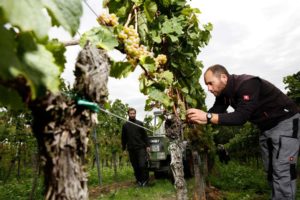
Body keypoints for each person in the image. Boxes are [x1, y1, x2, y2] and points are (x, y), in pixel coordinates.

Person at [186, 64, 300, 200]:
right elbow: (216, 111)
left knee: (282, 171)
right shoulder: (224, 94)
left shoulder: (247, 84)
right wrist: (195, 117)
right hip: (265, 128)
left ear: (223, 77)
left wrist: (208, 117)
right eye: (206, 85)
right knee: (271, 172)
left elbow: (240, 117)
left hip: (285, 122)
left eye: (210, 83)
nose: (209, 88)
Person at [122, 107, 150, 187]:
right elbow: (123, 138)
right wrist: (124, 149)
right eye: (131, 113)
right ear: (128, 114)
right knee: (135, 166)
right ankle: (139, 181)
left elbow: (145, 136)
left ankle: (145, 181)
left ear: (135, 114)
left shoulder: (140, 123)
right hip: (131, 148)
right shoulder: (125, 125)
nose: (132, 115)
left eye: (134, 113)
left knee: (142, 165)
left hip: (141, 147)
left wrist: (147, 145)